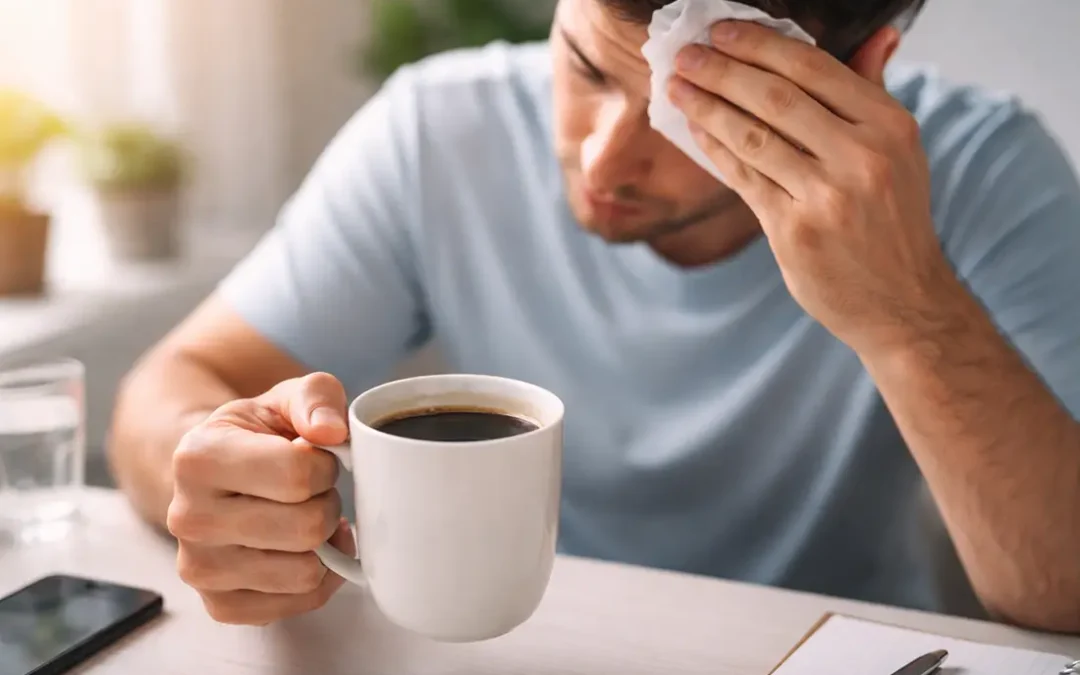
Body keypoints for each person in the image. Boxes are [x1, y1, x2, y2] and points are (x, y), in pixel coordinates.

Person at [109, 0, 1080, 632]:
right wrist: (220, 475)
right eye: (583, 66)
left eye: (684, 115)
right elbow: (172, 389)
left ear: (865, 69)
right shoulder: (441, 133)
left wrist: (909, 313)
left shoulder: (980, 171)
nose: (605, 158)